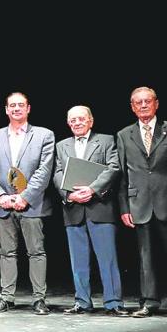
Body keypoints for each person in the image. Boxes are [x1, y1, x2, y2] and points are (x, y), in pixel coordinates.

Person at [116, 86, 167, 319]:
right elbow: (122, 174)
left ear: (156, 103)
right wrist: (124, 207)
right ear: (132, 107)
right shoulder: (123, 134)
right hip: (139, 203)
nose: (143, 105)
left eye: (147, 101)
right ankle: (149, 301)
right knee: (145, 257)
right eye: (138, 102)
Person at [0, 92, 55, 315]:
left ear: (28, 108)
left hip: (32, 204)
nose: (16, 109)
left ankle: (39, 299)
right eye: (12, 105)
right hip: (1, 205)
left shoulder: (44, 135)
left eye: (21, 105)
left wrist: (25, 197)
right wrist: (1, 196)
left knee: (36, 252)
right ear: (6, 110)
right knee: (7, 252)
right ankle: (6, 297)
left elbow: (44, 170)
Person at [53, 106, 126, 316]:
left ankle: (113, 302)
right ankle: (82, 301)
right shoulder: (62, 145)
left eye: (81, 119)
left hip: (100, 207)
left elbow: (113, 167)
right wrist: (69, 195)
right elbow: (57, 173)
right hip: (73, 208)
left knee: (107, 259)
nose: (77, 123)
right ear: (68, 123)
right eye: (72, 120)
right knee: (78, 260)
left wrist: (92, 189)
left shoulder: (106, 140)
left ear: (91, 121)